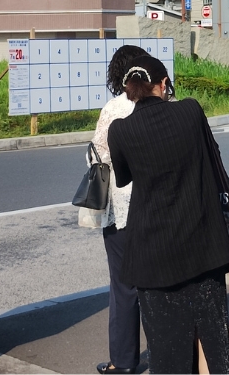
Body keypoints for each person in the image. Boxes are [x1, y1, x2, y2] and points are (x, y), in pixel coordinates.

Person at [108, 55, 229, 374]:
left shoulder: (120, 130)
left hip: (153, 256)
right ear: (163, 84)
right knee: (211, 339)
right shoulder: (191, 110)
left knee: (166, 348)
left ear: (130, 90)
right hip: (203, 247)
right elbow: (212, 153)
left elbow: (123, 177)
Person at [89, 44, 147, 375]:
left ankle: (122, 362)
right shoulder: (164, 104)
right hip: (156, 206)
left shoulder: (114, 109)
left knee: (123, 286)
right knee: (156, 282)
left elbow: (99, 156)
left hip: (122, 212)